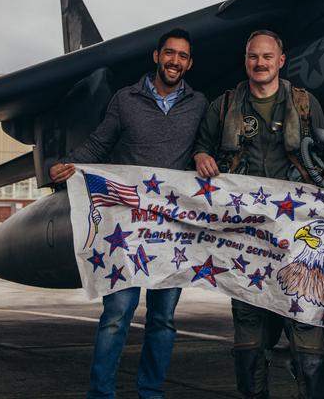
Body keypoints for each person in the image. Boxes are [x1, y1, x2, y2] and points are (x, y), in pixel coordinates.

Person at [192, 29, 324, 399]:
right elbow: (202, 146)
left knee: (307, 334)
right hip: (246, 240)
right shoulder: (225, 105)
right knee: (249, 339)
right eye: (254, 56)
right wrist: (201, 156)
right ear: (246, 60)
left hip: (299, 238)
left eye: (268, 57)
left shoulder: (303, 103)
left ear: (281, 61)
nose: (260, 63)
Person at [48, 28, 208, 399]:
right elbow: (99, 143)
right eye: (169, 53)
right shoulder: (126, 99)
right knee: (116, 316)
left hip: (172, 235)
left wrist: (201, 153)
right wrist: (69, 164)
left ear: (189, 63)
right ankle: (101, 394)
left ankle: (150, 393)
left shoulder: (199, 104)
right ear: (156, 56)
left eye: (182, 56)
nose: (175, 61)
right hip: (127, 229)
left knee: (163, 321)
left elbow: (206, 144)